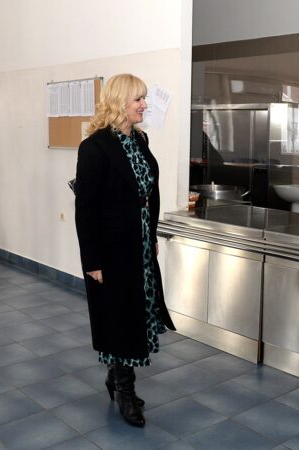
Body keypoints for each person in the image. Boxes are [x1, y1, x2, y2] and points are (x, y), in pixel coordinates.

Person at [74, 73, 176, 428]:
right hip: (111, 249)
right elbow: (85, 209)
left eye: (144, 98)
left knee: (136, 312)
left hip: (139, 245)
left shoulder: (140, 139)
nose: (144, 105)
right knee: (120, 317)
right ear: (119, 102)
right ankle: (125, 390)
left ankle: (115, 375)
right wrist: (93, 261)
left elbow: (148, 192)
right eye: (138, 99)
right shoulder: (94, 147)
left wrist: (152, 235)